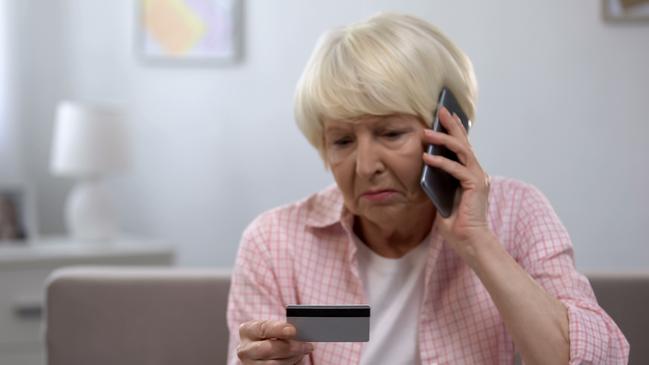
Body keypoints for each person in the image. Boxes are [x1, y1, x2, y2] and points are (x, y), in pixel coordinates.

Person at [227, 13, 629, 365]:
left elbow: (596, 360)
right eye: (343, 141)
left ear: (448, 130)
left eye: (391, 132)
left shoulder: (518, 213)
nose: (366, 167)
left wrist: (478, 243)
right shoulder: (274, 241)